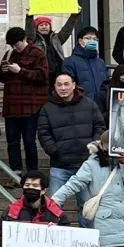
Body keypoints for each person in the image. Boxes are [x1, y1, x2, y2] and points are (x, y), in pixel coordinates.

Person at [38, 72, 105, 214]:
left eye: (67, 84)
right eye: (59, 84)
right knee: (53, 206)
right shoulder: (47, 108)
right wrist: (54, 150)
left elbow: (100, 126)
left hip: (86, 164)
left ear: (74, 85)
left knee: (86, 207)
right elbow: (43, 133)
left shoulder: (89, 104)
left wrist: (93, 147)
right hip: (59, 165)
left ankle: (87, 236)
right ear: (54, 87)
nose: (63, 88)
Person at [0, 26, 49, 177]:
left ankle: (32, 172)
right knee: (12, 142)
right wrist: (3, 71)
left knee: (29, 141)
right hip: (11, 106)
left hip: (30, 107)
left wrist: (20, 71)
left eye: (17, 44)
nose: (15, 47)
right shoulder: (9, 54)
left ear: (24, 40)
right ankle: (15, 172)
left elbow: (42, 77)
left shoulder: (38, 54)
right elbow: (0, 78)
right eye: (12, 45)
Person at [25, 10, 79, 90]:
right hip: (42, 76)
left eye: (46, 24)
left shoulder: (56, 39)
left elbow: (67, 30)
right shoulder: (34, 40)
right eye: (41, 25)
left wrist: (74, 15)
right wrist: (29, 18)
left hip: (57, 75)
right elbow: (29, 32)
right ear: (36, 28)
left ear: (50, 27)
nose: (44, 27)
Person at [61, 26, 108, 105]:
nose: (92, 41)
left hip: (100, 107)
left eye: (95, 39)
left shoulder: (101, 62)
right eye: (88, 38)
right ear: (80, 41)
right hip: (80, 106)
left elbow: (106, 84)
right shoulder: (70, 62)